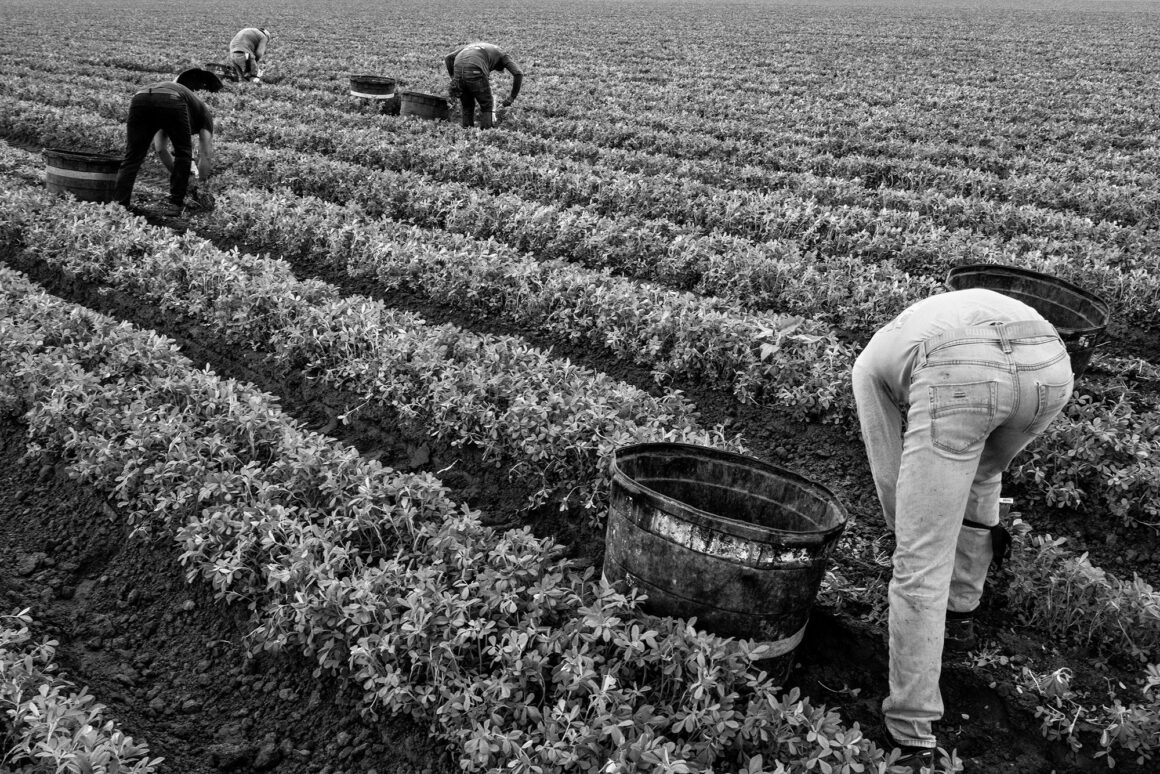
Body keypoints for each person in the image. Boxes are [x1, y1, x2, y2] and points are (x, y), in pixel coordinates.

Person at [851, 288, 1073, 770]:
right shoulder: (931, 317)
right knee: (983, 472)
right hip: (1050, 366)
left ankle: (910, 729)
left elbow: (890, 475)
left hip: (962, 375)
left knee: (920, 560)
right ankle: (962, 615)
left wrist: (911, 532)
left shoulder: (868, 367)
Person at [113, 79, 215, 217]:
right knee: (183, 153)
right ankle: (175, 204)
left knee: (132, 156)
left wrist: (180, 175)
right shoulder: (205, 116)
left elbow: (160, 149)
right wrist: (201, 183)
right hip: (170, 98)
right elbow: (206, 154)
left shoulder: (180, 111)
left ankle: (120, 205)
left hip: (141, 97)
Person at [444, 41, 523, 128]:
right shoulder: (503, 55)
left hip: (458, 72)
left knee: (467, 106)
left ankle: (467, 134)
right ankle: (485, 134)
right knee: (487, 105)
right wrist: (511, 98)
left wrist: (454, 79)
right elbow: (518, 73)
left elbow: (448, 58)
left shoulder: (475, 46)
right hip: (475, 70)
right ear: (501, 64)